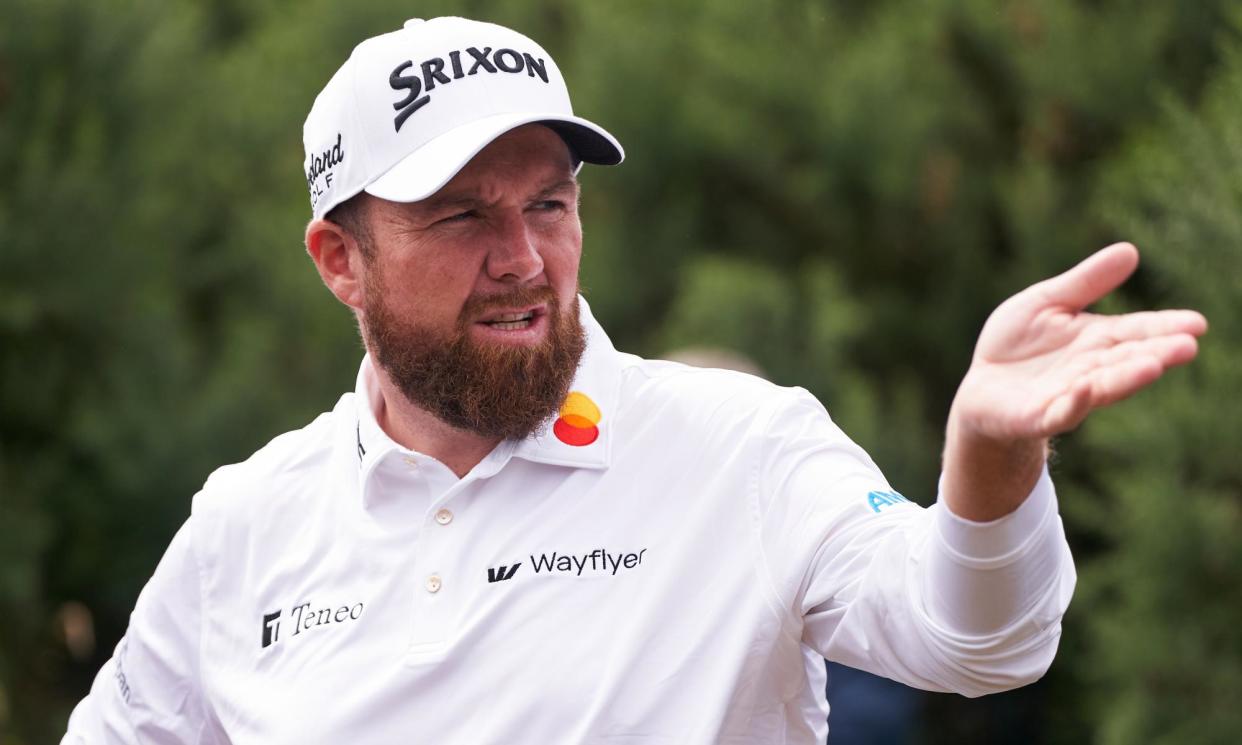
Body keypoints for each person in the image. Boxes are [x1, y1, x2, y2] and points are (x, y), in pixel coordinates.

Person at [62, 16, 1207, 744]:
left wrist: (992, 463)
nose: (521, 258)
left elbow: (979, 645)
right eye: (462, 213)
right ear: (339, 259)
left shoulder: (741, 447)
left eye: (548, 203)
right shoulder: (246, 524)